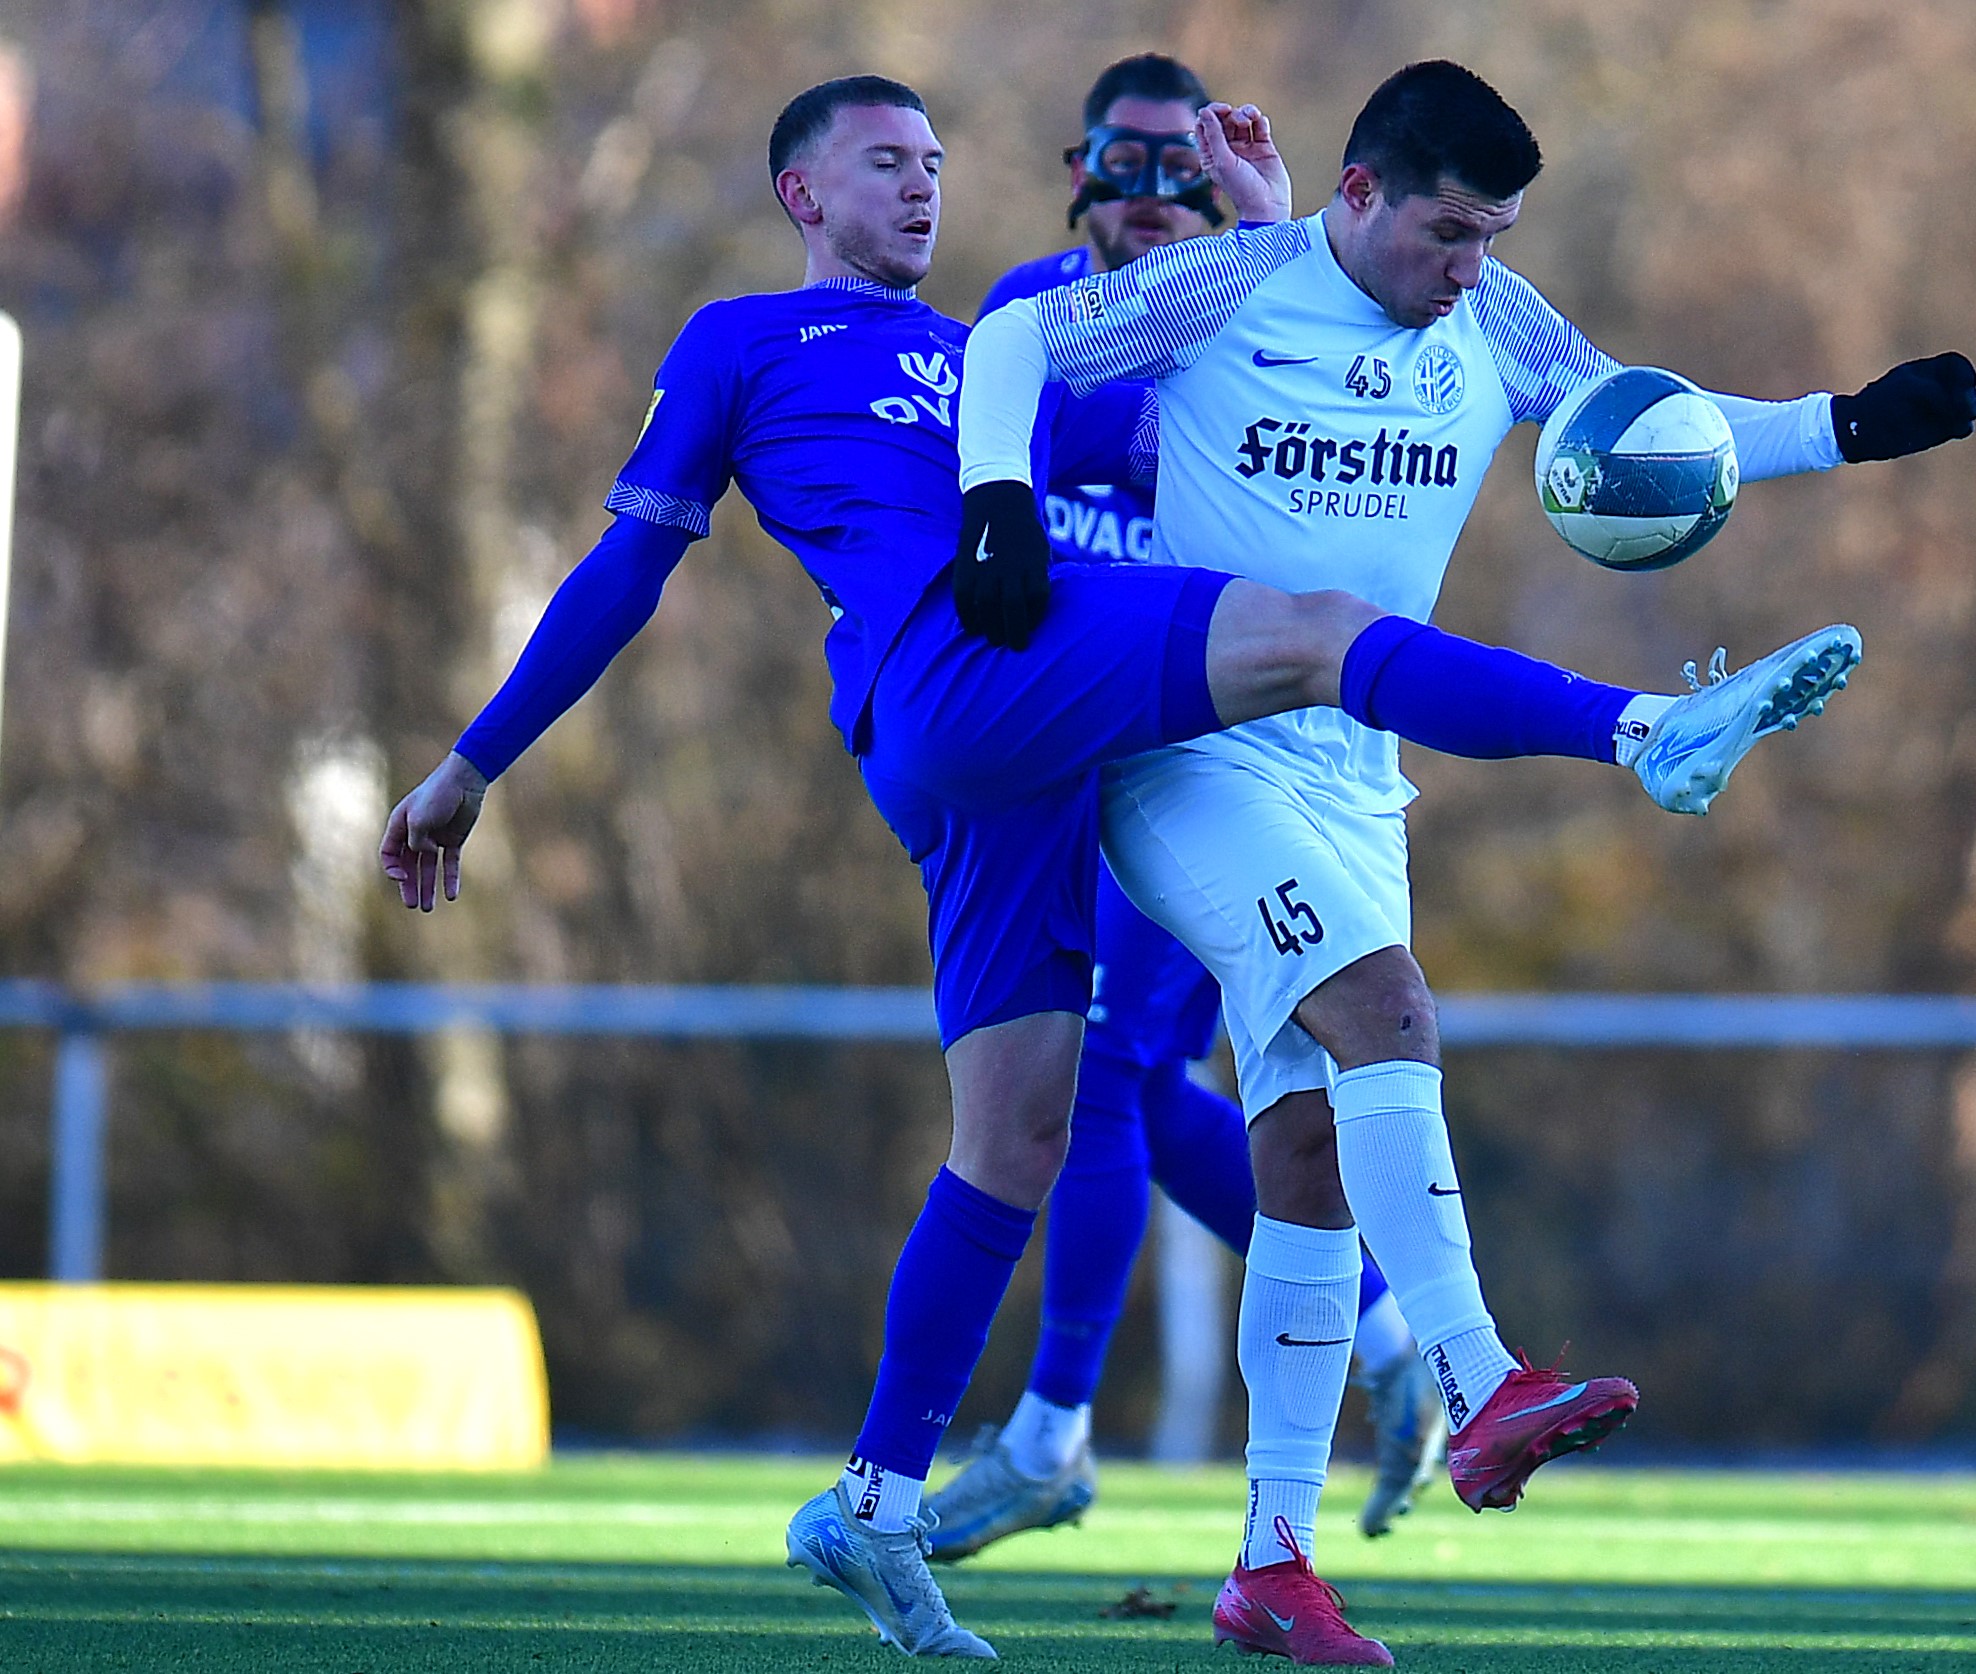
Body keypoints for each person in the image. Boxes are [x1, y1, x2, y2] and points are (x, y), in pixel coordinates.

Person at [381, 73, 1875, 1661]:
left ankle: (879, 1498)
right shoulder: (744, 343)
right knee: (1320, 638)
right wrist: (473, 763)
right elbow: (626, 569)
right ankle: (1647, 733)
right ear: (800, 193)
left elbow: (1248, 394)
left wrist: (1280, 231)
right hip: (960, 667)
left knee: (1022, 1134)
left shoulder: (983, 344)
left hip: (1035, 745)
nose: (922, 185)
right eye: (883, 163)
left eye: (935, 159)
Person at [959, 59, 1976, 1665]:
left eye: (1493, 236)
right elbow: (1015, 340)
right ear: (1358, 194)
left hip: (1362, 776)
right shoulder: (1233, 279)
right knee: (1392, 1014)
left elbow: (1655, 430)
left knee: (1305, 1151)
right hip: (1194, 751)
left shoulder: (1490, 316)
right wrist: (998, 498)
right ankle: (1480, 1374)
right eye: (1448, 232)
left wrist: (1850, 428)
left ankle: (1272, 1563)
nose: (1471, 267)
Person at [923, 51, 1441, 1568]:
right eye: (1124, 156)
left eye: (1181, 161)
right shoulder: (1028, 314)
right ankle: (1390, 1331)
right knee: (1128, 1093)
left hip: (1200, 752)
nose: (1151, 190)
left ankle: (1053, 1433)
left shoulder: (1239, 309)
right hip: (1052, 757)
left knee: (1105, 1073)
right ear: (1078, 166)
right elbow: (978, 487)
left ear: (1219, 179)